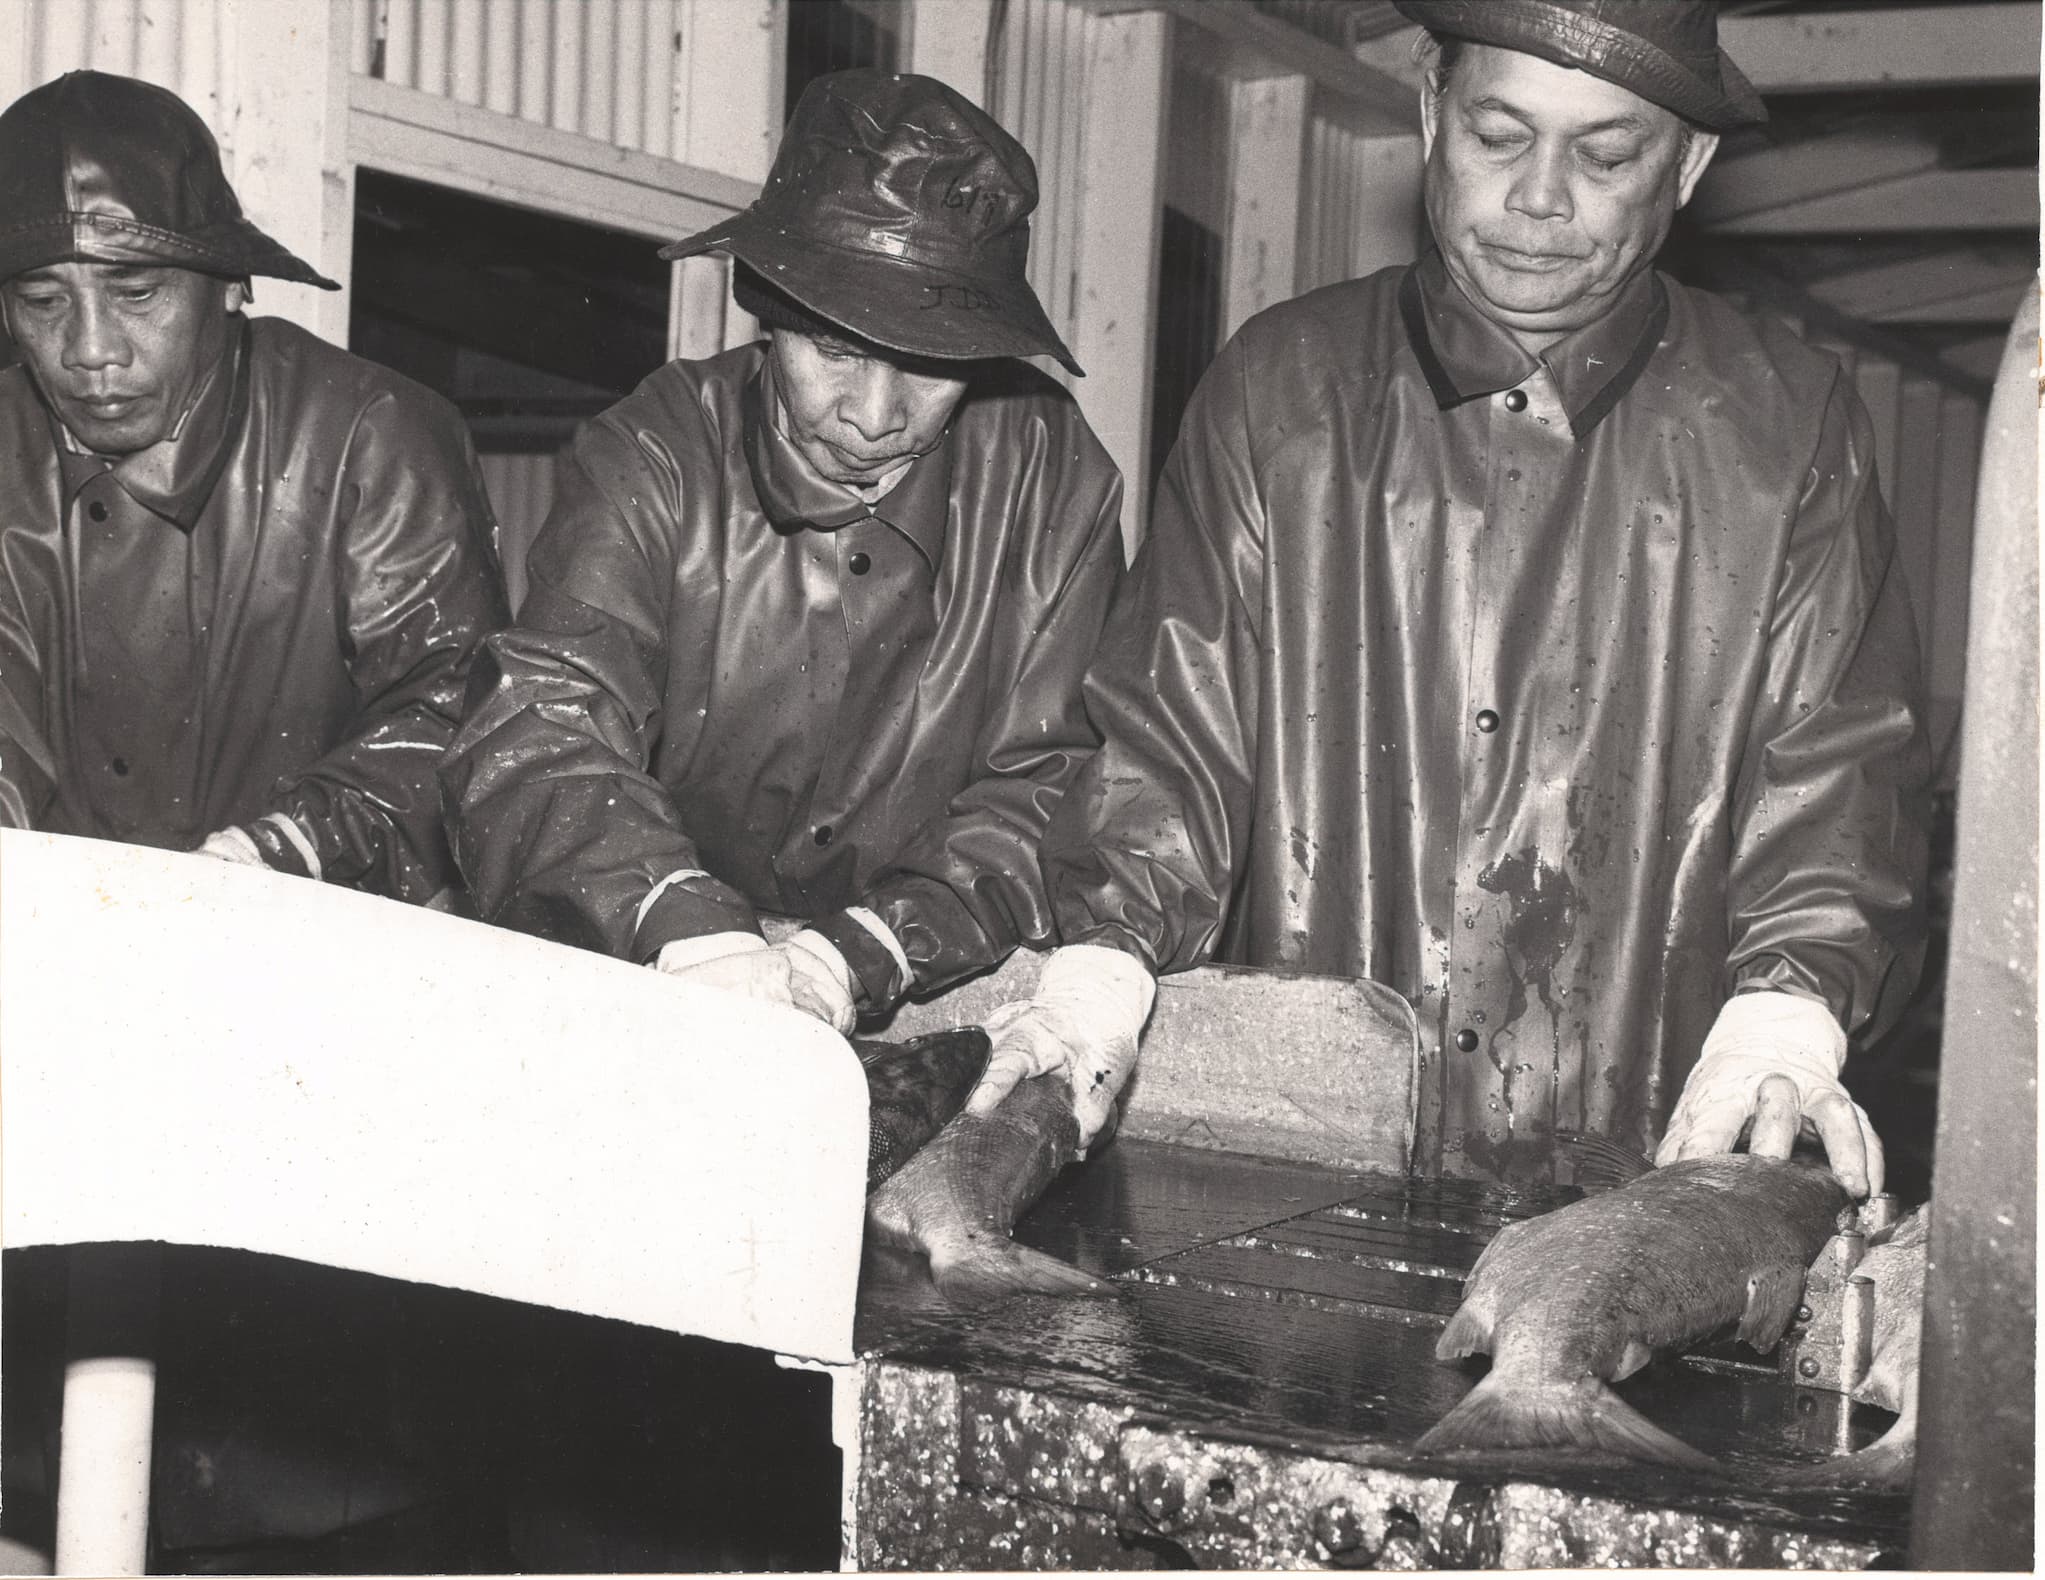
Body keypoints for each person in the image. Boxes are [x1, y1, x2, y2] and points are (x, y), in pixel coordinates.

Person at [978, 0, 1929, 1194]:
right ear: (1429, 113)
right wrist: (1099, 964)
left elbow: (1839, 770)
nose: (1539, 196)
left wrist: (1787, 1016)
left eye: (1604, 153)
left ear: (1685, 166)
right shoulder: (1276, 390)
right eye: (1497, 134)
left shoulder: (1789, 426)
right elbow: (1170, 734)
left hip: (1639, 1169)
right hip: (1295, 1153)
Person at [443, 70, 1125, 1032]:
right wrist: (691, 928)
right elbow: (544, 721)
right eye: (833, 351)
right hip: (660, 963)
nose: (874, 418)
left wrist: (866, 948)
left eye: (931, 368)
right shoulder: (653, 450)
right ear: (764, 311)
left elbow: (1050, 781)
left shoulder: (1055, 475)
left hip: (921, 969)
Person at [0, 70, 508, 901]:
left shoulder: (372, 434)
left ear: (233, 284)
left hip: (325, 936)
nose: (90, 349)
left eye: (136, 293)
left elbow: (454, 706)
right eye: (41, 300)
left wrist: (280, 850)